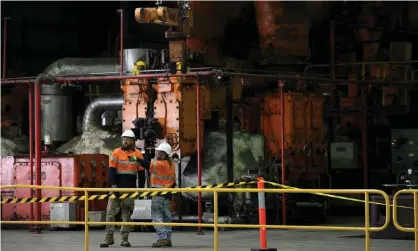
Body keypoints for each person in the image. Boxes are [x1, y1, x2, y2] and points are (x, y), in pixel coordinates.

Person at [100, 129, 145, 248]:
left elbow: (141, 174)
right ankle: (108, 238)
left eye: (128, 139)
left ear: (133, 141)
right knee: (110, 213)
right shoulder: (116, 152)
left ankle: (125, 239)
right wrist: (114, 186)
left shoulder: (137, 154)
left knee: (127, 214)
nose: (125, 141)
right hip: (117, 187)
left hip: (130, 189)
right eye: (124, 139)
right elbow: (111, 171)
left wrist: (140, 189)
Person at [134, 142, 176, 248]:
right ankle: (168, 239)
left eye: (159, 153)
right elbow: (174, 182)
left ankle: (162, 238)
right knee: (166, 217)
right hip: (167, 195)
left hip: (158, 194)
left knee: (156, 216)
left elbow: (149, 165)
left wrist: (137, 159)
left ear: (164, 154)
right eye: (157, 152)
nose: (156, 154)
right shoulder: (171, 165)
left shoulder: (160, 164)